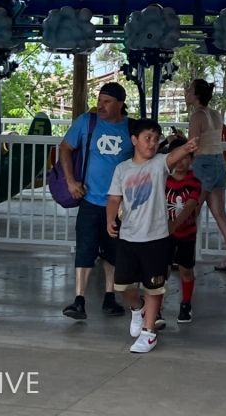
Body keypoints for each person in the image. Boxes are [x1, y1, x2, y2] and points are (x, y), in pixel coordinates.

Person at [106, 119, 198, 353]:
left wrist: (186, 147)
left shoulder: (159, 164)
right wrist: (110, 219)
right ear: (134, 140)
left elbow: (172, 156)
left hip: (156, 237)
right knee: (122, 285)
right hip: (128, 237)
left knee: (153, 287)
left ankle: (148, 333)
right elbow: (115, 199)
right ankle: (138, 309)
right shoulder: (122, 169)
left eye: (156, 139)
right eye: (148, 138)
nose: (153, 143)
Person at [59, 82, 133, 321]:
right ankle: (79, 300)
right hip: (90, 199)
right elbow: (65, 148)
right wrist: (71, 182)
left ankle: (109, 297)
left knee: (113, 252)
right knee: (85, 249)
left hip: (119, 204)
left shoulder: (131, 128)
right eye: (100, 100)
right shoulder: (87, 122)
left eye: (107, 102)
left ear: (120, 104)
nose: (101, 105)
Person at [186, 79, 226, 271]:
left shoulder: (197, 116)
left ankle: (183, 257)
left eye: (190, 91)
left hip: (203, 164)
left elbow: (192, 144)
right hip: (219, 163)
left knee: (190, 212)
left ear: (196, 95)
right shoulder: (216, 114)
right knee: (220, 213)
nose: (187, 93)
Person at [163, 135, 201, 325]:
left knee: (186, 269)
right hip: (165, 235)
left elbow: (190, 206)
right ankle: (158, 306)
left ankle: (185, 303)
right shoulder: (163, 180)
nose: (180, 162)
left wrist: (174, 225)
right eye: (177, 157)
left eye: (185, 157)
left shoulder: (194, 181)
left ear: (191, 159)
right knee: (164, 270)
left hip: (186, 234)